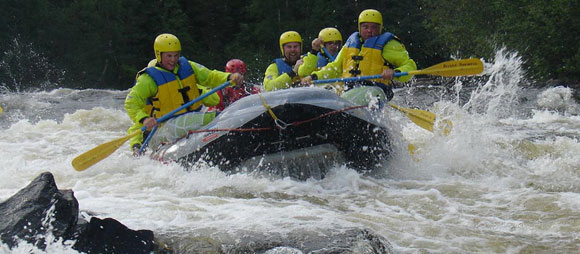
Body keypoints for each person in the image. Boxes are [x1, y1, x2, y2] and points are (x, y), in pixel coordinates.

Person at [124, 33, 243, 154]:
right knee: (198, 119)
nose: (173, 60)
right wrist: (144, 119)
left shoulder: (187, 66)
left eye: (176, 55)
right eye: (169, 56)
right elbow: (131, 102)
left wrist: (229, 77)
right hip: (163, 128)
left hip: (191, 117)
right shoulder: (148, 79)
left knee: (194, 119)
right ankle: (224, 118)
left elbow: (210, 76)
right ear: (158, 55)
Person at [301, 9, 417, 102]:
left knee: (356, 96)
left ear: (380, 28)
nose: (369, 31)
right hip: (350, 91)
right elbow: (334, 68)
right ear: (359, 27)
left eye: (374, 27)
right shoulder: (350, 44)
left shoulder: (389, 45)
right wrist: (313, 77)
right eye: (365, 27)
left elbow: (410, 65)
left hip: (376, 91)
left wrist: (395, 72)